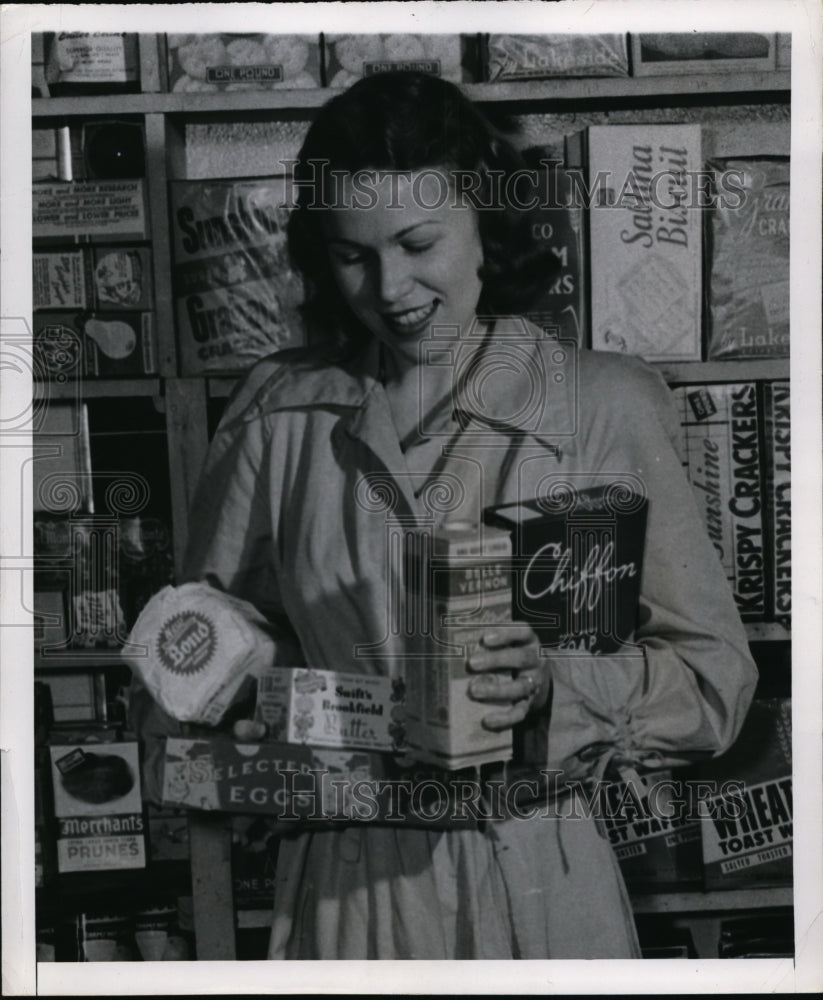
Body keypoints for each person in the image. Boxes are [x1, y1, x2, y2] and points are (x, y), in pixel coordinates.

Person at [132, 71, 757, 959]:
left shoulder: (601, 405)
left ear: (483, 223)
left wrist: (553, 693)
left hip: (540, 877)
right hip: (343, 887)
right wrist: (236, 708)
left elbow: (713, 684)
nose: (391, 288)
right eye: (352, 255)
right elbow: (184, 666)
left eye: (418, 242)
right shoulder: (278, 414)